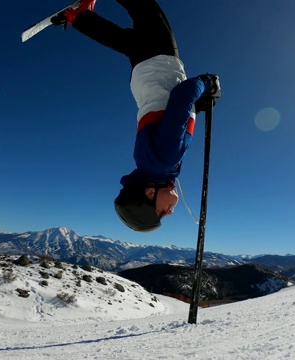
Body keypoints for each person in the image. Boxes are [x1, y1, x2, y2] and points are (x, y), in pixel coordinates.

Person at [55, 0, 221, 232]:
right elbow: (171, 115)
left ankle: (79, 16)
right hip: (144, 75)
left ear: (150, 192)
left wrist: (206, 82)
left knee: (145, 8)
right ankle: (78, 17)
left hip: (160, 63)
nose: (170, 211)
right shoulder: (147, 163)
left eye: (162, 212)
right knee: (124, 40)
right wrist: (199, 105)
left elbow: (183, 94)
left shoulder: (165, 159)